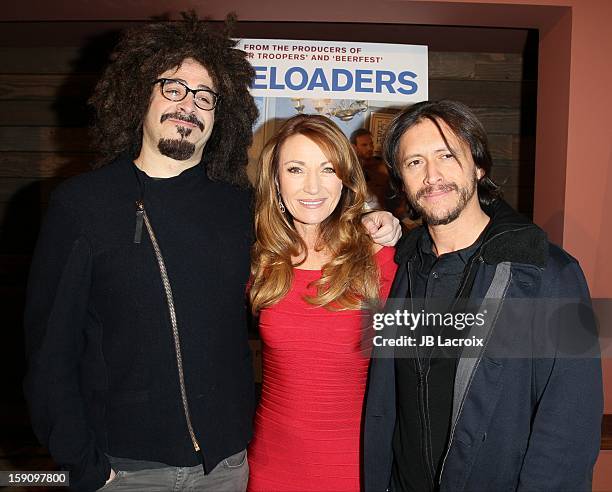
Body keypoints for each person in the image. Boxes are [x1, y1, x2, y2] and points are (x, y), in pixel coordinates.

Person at [22, 14, 401, 492]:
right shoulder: (82, 205)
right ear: (140, 91)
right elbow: (49, 353)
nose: (189, 105)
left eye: (205, 96)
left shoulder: (240, 209)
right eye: (174, 87)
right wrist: (82, 466)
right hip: (126, 468)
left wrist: (376, 223)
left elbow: (434, 345)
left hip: (231, 464)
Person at [363, 100, 603, 492]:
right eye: (414, 162)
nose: (432, 175)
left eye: (446, 155)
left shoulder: (550, 273)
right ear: (401, 182)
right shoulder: (403, 268)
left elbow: (570, 425)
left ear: (478, 166)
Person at [247, 114, 398, 491]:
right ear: (276, 180)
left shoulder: (379, 258)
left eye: (327, 169)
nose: (312, 186)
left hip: (355, 466)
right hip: (270, 464)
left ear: (344, 178)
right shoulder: (260, 257)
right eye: (295, 169)